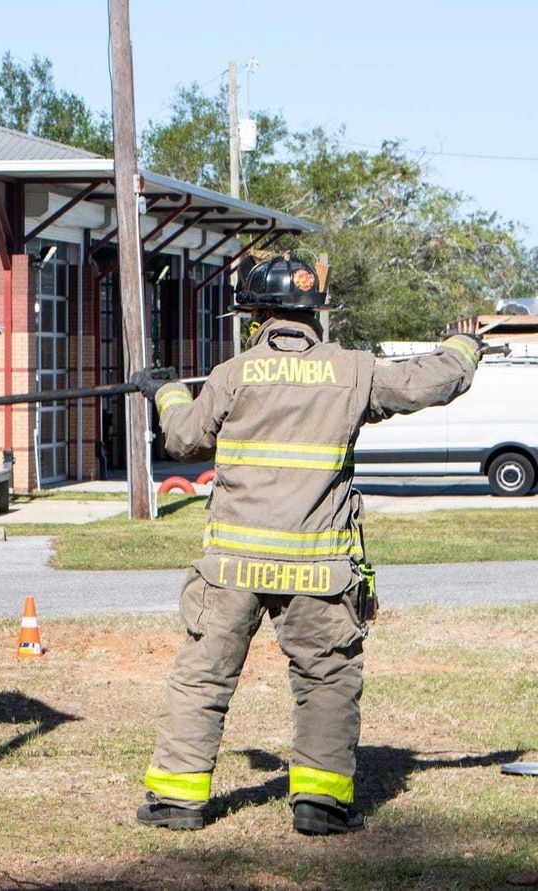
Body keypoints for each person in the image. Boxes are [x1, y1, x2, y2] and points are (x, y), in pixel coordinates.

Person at [130, 256, 482, 835]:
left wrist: (163, 390)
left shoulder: (233, 373)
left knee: (202, 678)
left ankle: (176, 801)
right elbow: (428, 382)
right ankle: (318, 805)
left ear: (258, 316)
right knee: (327, 679)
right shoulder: (352, 371)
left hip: (232, 569)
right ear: (314, 316)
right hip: (318, 568)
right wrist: (463, 350)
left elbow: (185, 438)